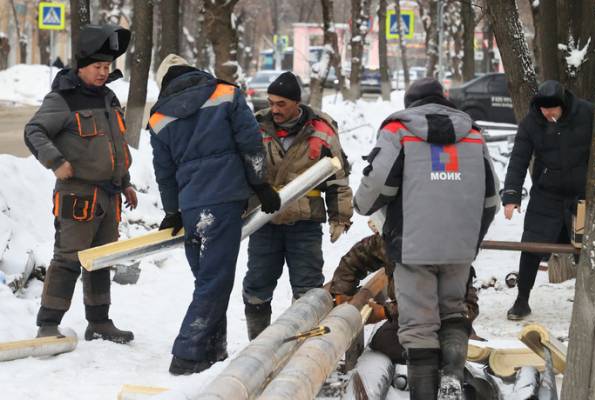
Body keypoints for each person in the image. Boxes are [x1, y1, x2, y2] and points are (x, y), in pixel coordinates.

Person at [354, 78, 499, 400]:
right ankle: (451, 376)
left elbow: (378, 183)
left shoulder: (398, 131)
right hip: (459, 247)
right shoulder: (474, 135)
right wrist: (471, 238)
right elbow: (491, 199)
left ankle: (424, 395)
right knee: (453, 312)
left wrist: (363, 205)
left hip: (413, 244)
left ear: (411, 104)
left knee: (418, 324)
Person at [149, 54, 280, 375]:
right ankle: (187, 352)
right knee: (214, 280)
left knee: (208, 279)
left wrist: (172, 210)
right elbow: (250, 143)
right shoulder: (225, 93)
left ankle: (213, 349)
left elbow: (163, 171)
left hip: (192, 204)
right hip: (224, 199)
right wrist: (260, 184)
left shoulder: (158, 117)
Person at [25, 24, 136, 343]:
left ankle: (99, 321)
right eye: (97, 67)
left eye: (107, 67)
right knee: (69, 259)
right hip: (78, 194)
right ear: (82, 66)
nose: (103, 72)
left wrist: (125, 181)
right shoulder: (62, 99)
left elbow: (116, 145)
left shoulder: (108, 97)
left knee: (101, 260)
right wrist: (55, 162)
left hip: (109, 195)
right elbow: (33, 132)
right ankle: (48, 324)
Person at [242, 71, 353, 340]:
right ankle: (257, 346)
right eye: (271, 102)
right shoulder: (256, 126)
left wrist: (341, 216)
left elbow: (337, 177)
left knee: (307, 290)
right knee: (257, 286)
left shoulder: (322, 131)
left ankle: (301, 347)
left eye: (281, 104)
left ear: (297, 103)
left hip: (305, 223)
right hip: (264, 220)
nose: (275, 109)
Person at [329, 217, 483, 366]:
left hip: (448, 315)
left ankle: (456, 353)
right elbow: (354, 260)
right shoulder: (389, 240)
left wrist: (386, 312)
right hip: (410, 318)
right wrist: (341, 293)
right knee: (383, 341)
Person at [501, 80, 593, 320]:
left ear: (563, 105)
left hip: (582, 195)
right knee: (531, 245)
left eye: (553, 109)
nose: (548, 114)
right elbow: (519, 158)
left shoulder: (587, 113)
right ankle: (522, 299)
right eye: (544, 109)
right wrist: (511, 195)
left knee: (587, 249)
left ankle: (590, 302)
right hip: (546, 194)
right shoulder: (532, 122)